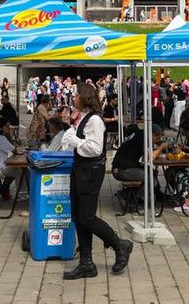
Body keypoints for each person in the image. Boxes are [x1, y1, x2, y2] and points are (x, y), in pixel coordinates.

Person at [60, 83, 133, 280]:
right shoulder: (83, 117)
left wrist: (75, 141)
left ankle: (120, 245)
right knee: (78, 216)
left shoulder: (95, 120)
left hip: (90, 172)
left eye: (76, 94)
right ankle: (86, 263)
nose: (73, 97)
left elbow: (95, 148)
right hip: (80, 169)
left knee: (87, 218)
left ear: (84, 97)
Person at [0, 117, 21, 199]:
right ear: (0, 128)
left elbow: (13, 149)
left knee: (16, 168)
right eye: (7, 126)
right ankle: (22, 193)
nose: (9, 128)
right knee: (20, 170)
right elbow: (15, 150)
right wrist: (10, 138)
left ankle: (4, 188)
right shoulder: (0, 138)